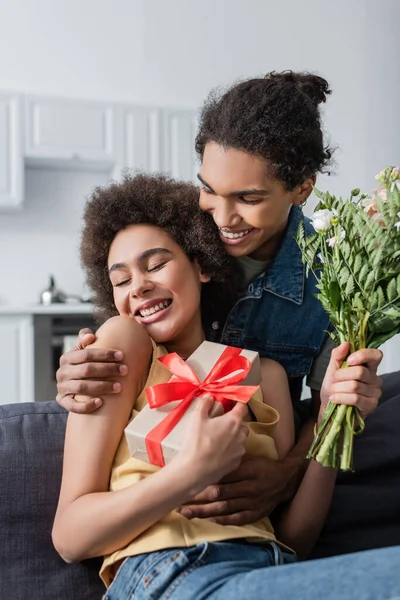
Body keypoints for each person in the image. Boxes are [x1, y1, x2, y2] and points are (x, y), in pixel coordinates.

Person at [55, 72, 384, 528]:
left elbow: (325, 407)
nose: (223, 218)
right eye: (209, 188)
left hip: (260, 474)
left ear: (302, 189)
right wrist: (82, 366)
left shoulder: (336, 284)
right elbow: (132, 311)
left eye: (248, 198)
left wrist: (287, 475)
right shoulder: (182, 233)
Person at [52, 173, 400, 600]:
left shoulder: (265, 375)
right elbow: (69, 536)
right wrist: (187, 475)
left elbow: (296, 538)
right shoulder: (125, 344)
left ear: (200, 265)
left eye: (156, 264)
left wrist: (332, 416)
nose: (138, 285)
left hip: (270, 568)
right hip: (173, 573)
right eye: (120, 280)